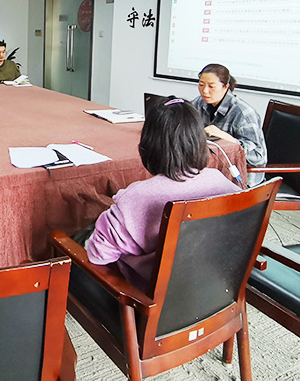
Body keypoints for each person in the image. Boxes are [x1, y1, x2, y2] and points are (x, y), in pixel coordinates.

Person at [84, 98, 241, 290]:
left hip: (146, 296)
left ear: (148, 145)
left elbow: (98, 256)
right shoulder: (225, 184)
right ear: (200, 142)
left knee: (77, 240)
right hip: (216, 287)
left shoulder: (133, 200)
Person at [190, 63, 267, 170]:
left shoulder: (243, 113)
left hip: (240, 174)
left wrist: (227, 138)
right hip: (212, 167)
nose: (204, 91)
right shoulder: (199, 103)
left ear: (226, 87)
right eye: (201, 85)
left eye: (211, 86)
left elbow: (258, 158)